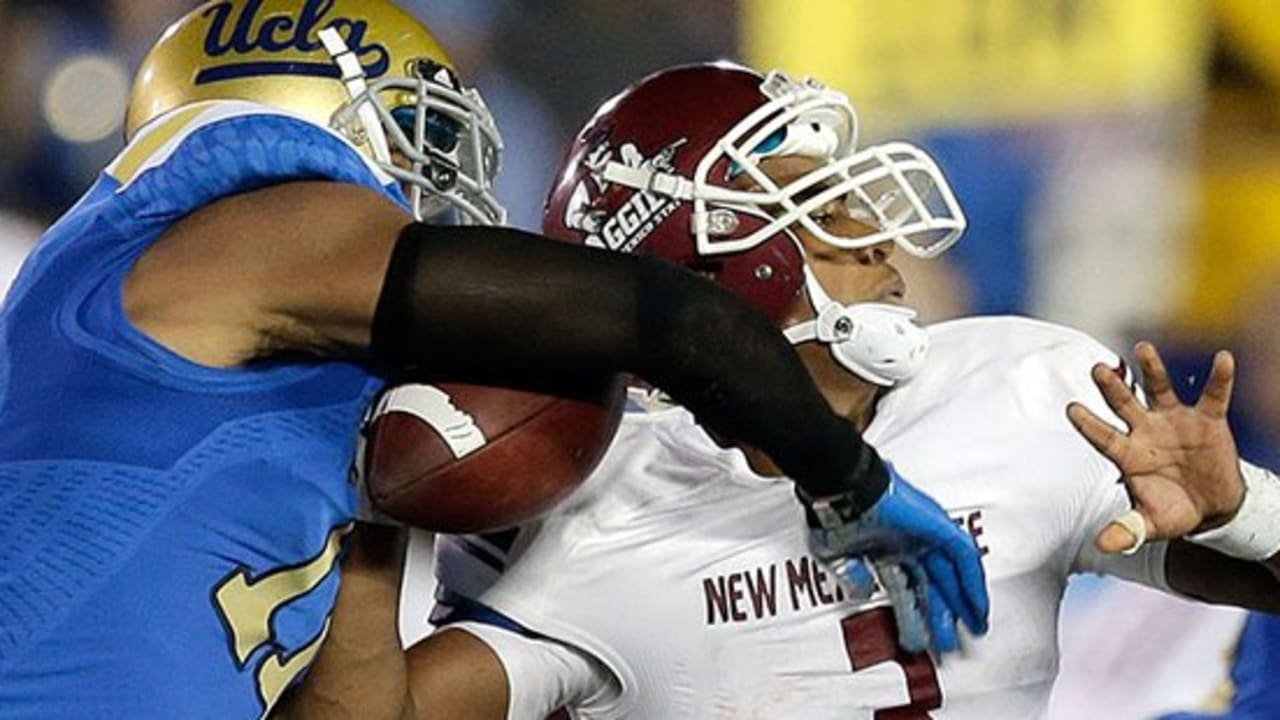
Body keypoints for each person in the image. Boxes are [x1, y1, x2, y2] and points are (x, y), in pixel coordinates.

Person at [0, 4, 988, 718]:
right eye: (418, 136)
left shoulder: (279, 367)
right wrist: (850, 484)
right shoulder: (254, 220)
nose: (430, 188)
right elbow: (663, 316)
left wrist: (382, 512)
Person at [400, 63, 1280, 719]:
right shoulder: (587, 500)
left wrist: (1241, 513)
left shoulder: (1028, 384)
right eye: (823, 204)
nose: (875, 234)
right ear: (715, 269)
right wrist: (365, 518)